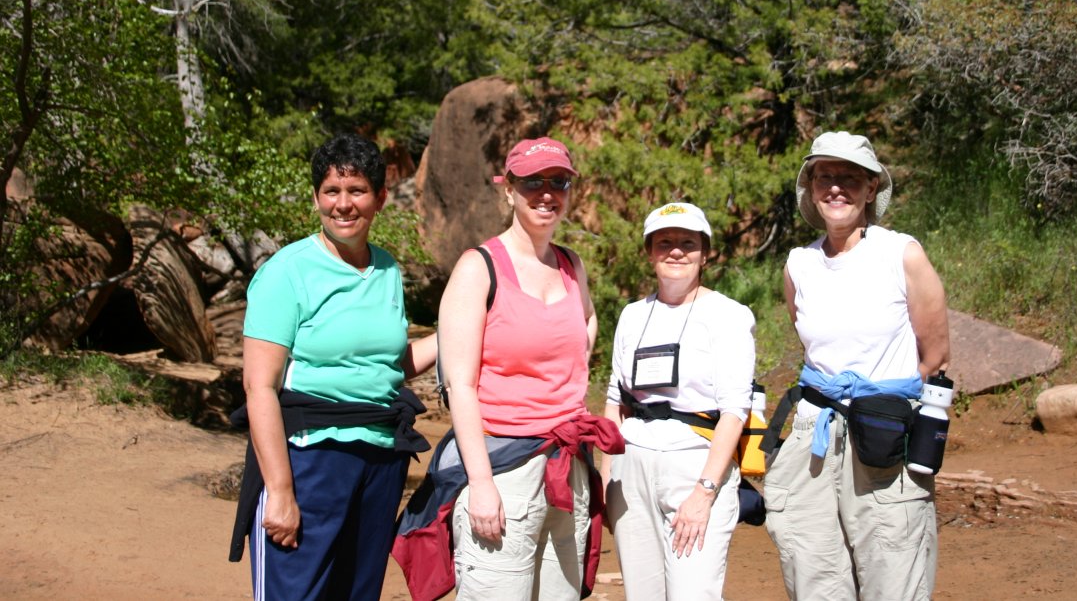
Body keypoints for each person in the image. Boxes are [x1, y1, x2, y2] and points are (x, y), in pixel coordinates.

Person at [231, 132, 438, 600]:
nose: (343, 205)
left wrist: (453, 335)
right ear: (316, 198)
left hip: (381, 462)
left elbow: (390, 364)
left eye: (357, 191)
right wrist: (281, 490)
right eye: (331, 191)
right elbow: (258, 386)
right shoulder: (288, 271)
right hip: (310, 459)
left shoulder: (386, 270)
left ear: (380, 198)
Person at [426, 136, 621, 600]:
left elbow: (587, 318)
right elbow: (461, 385)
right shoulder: (479, 268)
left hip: (567, 466)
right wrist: (480, 485)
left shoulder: (572, 265)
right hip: (502, 469)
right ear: (508, 190)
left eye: (558, 181)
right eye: (533, 182)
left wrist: (566, 370)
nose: (547, 193)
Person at [763, 131, 950, 601]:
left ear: (870, 189)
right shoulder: (798, 265)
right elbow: (811, 344)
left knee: (893, 567)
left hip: (883, 433)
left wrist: (885, 408)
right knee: (812, 569)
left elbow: (935, 355)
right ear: (811, 187)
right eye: (825, 176)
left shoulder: (901, 254)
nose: (836, 187)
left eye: (849, 176)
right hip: (814, 433)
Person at [603, 202, 756, 601]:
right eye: (664, 242)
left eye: (688, 243)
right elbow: (615, 402)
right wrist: (607, 481)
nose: (675, 251)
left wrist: (704, 492)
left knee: (693, 593)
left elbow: (734, 412)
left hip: (694, 467)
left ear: (705, 254)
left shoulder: (728, 316)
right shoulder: (633, 315)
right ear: (649, 252)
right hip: (632, 470)